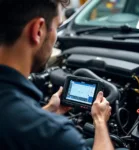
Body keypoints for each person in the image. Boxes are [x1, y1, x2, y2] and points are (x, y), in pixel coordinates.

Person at [0, 0, 126, 150]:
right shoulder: (55, 132)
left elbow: (16, 122)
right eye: (57, 27)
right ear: (38, 30)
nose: (56, 37)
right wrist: (99, 121)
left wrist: (50, 110)